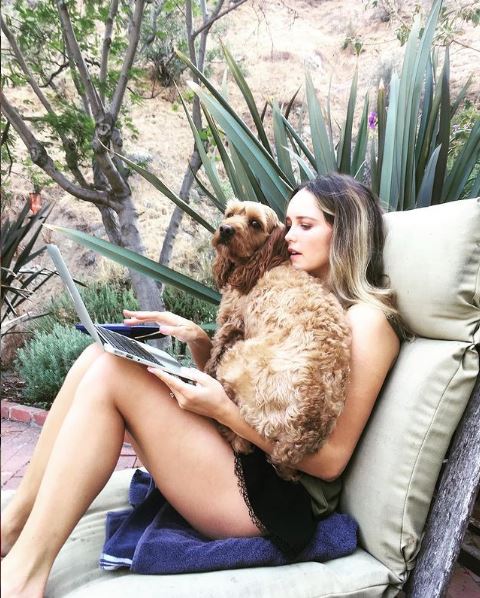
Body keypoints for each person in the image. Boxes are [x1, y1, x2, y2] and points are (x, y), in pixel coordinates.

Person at [1, 173, 401, 597]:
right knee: (97, 357)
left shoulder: (368, 321)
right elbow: (246, 389)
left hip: (276, 498)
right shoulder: (297, 295)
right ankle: (12, 525)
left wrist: (223, 411)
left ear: (347, 234)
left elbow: (329, 462)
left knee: (111, 374)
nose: (287, 236)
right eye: (287, 224)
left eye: (305, 225)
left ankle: (23, 579)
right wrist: (198, 340)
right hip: (241, 454)